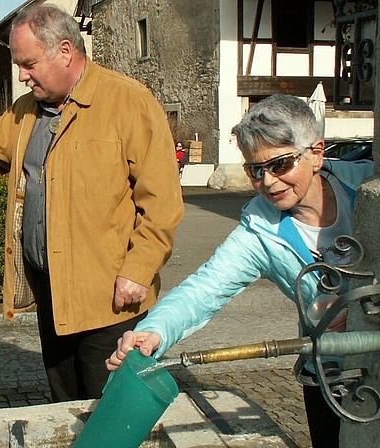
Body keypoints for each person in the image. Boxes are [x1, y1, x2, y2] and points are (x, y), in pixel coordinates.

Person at [0, 4, 183, 402]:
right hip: (53, 297)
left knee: (112, 413)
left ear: (66, 51)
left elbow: (161, 205)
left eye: (29, 64)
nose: (22, 75)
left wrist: (139, 270)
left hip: (110, 302)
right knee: (65, 407)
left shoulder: (129, 103)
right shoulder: (27, 112)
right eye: (19, 65)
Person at [106, 94, 374, 448]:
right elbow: (204, 288)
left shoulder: (368, 188)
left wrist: (355, 310)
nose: (269, 183)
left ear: (316, 153)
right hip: (328, 374)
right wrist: (153, 332)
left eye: (280, 164)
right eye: (255, 170)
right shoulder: (259, 230)